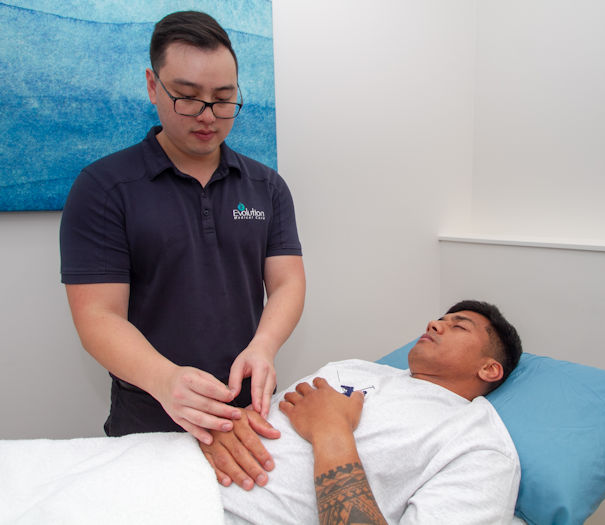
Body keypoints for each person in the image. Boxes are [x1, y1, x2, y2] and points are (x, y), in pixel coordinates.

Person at [59, 11, 305, 445]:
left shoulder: (267, 186)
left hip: (245, 412)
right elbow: (97, 315)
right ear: (154, 86)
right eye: (188, 97)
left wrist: (264, 345)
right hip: (148, 418)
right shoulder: (103, 188)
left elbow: (287, 283)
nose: (208, 115)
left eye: (224, 98)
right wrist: (165, 379)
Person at [202, 300, 523, 524]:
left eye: (459, 327)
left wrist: (330, 429)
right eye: (441, 318)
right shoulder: (351, 368)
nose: (435, 324)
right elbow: (251, 421)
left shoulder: (478, 444)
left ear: (490, 369)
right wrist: (220, 428)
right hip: (181, 465)